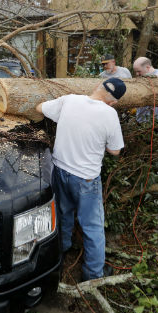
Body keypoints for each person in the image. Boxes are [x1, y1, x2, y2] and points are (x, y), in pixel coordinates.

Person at [35, 78, 126, 281]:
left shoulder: (70, 100)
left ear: (97, 87)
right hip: (86, 179)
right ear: (114, 102)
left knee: (63, 214)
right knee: (92, 226)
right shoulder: (110, 114)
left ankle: (61, 252)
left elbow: (40, 107)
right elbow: (115, 150)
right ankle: (93, 275)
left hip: (59, 171)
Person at [133, 57, 158, 123]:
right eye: (136, 72)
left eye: (139, 71)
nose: (137, 74)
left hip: (156, 121)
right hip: (140, 120)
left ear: (148, 67)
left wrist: (151, 76)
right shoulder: (140, 77)